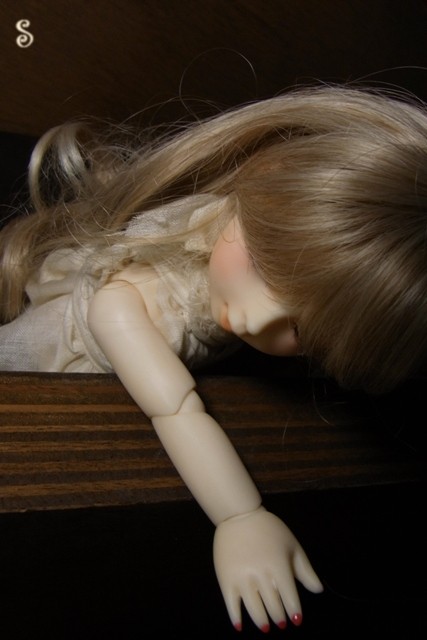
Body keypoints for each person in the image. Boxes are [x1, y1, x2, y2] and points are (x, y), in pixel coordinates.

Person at [1, 85, 427, 631]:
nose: (255, 319)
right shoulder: (127, 301)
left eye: (300, 330)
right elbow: (175, 408)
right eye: (262, 264)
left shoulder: (246, 256)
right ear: (261, 183)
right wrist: (240, 515)